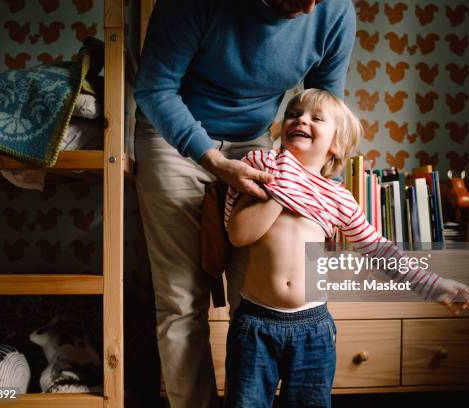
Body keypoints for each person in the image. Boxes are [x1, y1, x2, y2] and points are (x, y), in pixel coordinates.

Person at [133, 0, 357, 406]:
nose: (309, 7)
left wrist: (326, 194)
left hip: (255, 146)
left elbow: (328, 107)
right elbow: (154, 88)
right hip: (173, 137)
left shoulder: (334, 11)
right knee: (181, 301)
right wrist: (214, 161)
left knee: (255, 299)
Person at [224, 89, 469, 407]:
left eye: (316, 118)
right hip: (256, 324)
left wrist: (433, 285)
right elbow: (239, 234)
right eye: (294, 113)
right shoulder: (262, 171)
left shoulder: (335, 196)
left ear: (335, 145)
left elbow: (379, 249)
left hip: (313, 329)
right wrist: (283, 180)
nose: (301, 119)